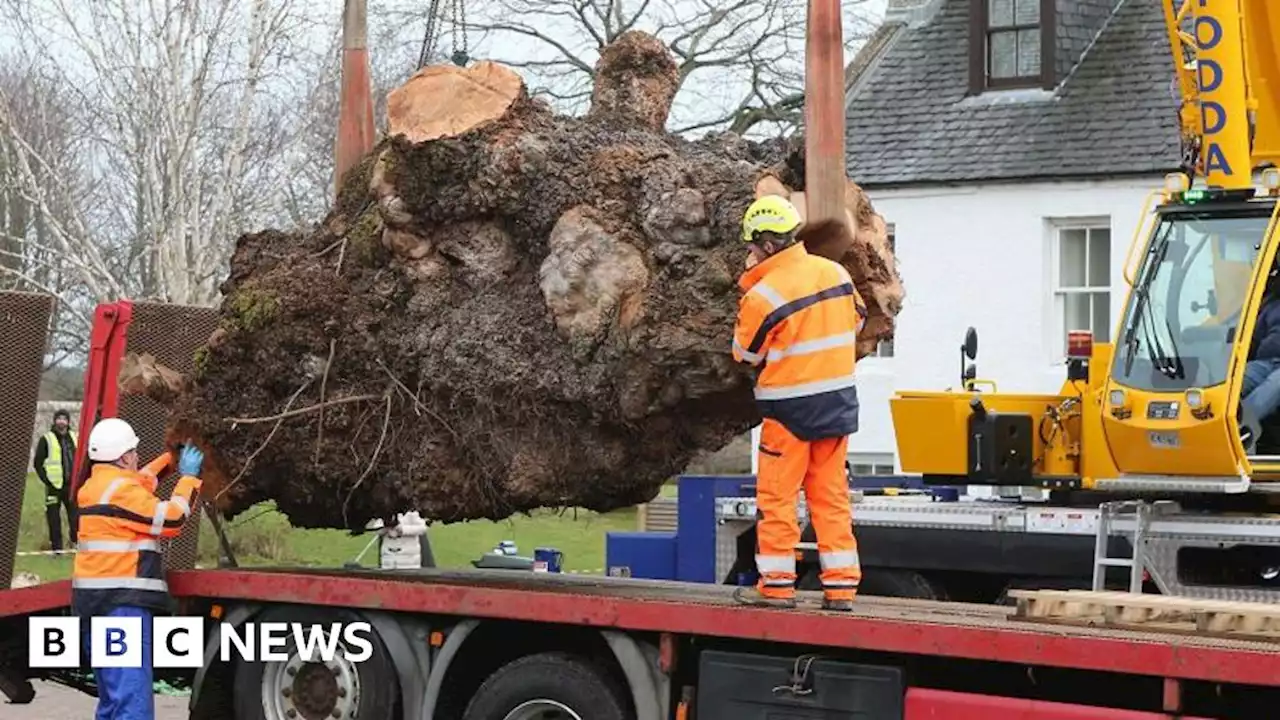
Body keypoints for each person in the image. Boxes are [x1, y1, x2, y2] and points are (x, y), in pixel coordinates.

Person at [730, 196, 866, 612]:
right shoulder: (836, 273)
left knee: (778, 499)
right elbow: (858, 320)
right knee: (831, 500)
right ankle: (841, 589)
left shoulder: (763, 295)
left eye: (752, 247)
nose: (749, 255)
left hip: (788, 414)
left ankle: (776, 586)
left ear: (768, 245)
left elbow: (745, 354)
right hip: (837, 406)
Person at [73, 417, 204, 720]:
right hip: (122, 610)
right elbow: (171, 519)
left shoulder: (97, 485)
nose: (137, 457)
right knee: (132, 704)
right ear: (123, 456)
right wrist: (188, 478)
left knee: (113, 702)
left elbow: (142, 481)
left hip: (99, 605)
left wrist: (171, 458)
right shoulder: (120, 492)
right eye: (133, 451)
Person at [1241, 288, 1280, 450]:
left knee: (1274, 384)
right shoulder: (1271, 304)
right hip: (1265, 362)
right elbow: (1254, 339)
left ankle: (1240, 426)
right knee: (1237, 379)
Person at [33, 408, 77, 551]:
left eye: (64, 419)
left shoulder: (75, 437)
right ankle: (57, 549)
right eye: (59, 418)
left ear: (68, 422)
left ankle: (74, 543)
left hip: (71, 486)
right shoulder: (47, 439)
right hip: (54, 486)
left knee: (75, 517)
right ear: (54, 421)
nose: (61, 421)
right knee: (53, 519)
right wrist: (47, 480)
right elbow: (38, 463)